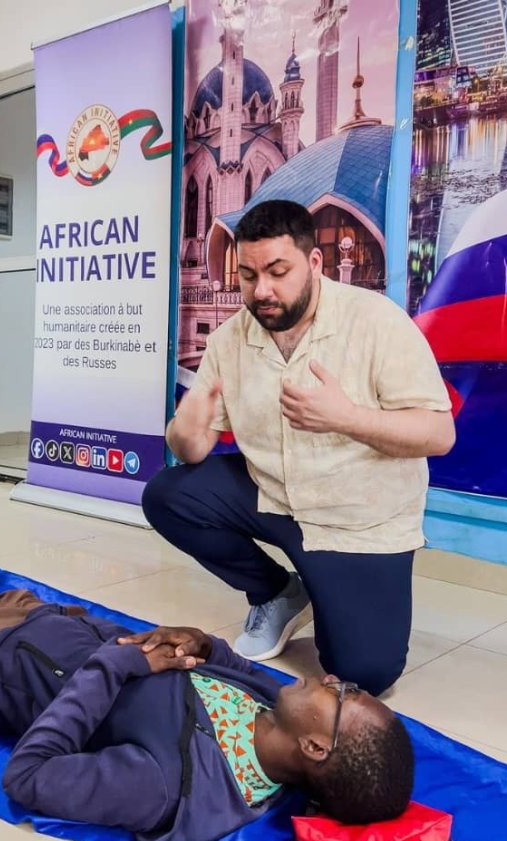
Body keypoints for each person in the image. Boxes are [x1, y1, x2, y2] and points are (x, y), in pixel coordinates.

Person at [0, 522, 415, 841]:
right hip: (61, 625)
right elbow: (229, 660)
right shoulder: (274, 706)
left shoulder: (169, 785)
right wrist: (204, 645)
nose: (336, 680)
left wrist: (116, 664)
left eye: (345, 697)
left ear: (315, 748)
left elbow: (28, 776)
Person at [144, 200, 455, 695]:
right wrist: (184, 427)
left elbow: (439, 435)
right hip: (272, 498)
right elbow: (192, 449)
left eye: (277, 271)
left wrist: (346, 418)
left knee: (364, 674)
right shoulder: (230, 338)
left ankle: (327, 588)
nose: (261, 290)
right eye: (247, 275)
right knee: (166, 495)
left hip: (354, 520)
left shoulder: (375, 321)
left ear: (314, 263)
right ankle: (277, 592)